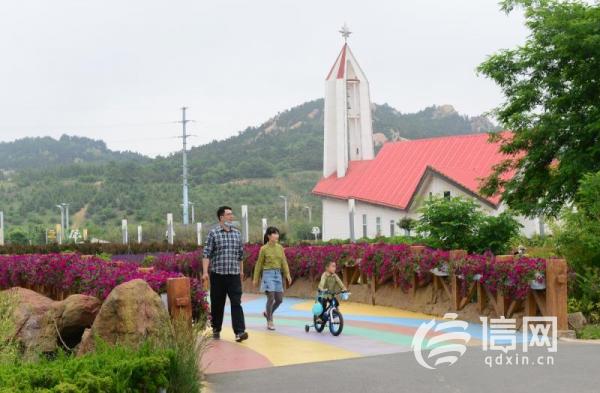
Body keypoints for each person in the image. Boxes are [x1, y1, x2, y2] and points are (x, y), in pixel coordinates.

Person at [202, 206, 248, 342]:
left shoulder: (237, 234)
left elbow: (240, 255)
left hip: (233, 275)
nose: (231, 217)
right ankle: (216, 329)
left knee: (236, 302)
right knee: (217, 303)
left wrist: (241, 271)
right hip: (218, 275)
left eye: (232, 214)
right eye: (228, 215)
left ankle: (239, 332)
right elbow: (206, 254)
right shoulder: (213, 233)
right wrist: (205, 272)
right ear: (221, 217)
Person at [252, 227, 292, 330]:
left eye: (277, 233)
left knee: (279, 300)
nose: (277, 235)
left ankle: (267, 313)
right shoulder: (264, 249)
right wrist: (255, 278)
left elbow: (284, 262)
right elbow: (259, 264)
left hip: (278, 274)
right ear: (269, 236)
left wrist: (287, 274)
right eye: (274, 233)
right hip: (267, 274)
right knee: (271, 297)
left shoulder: (280, 248)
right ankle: (270, 320)